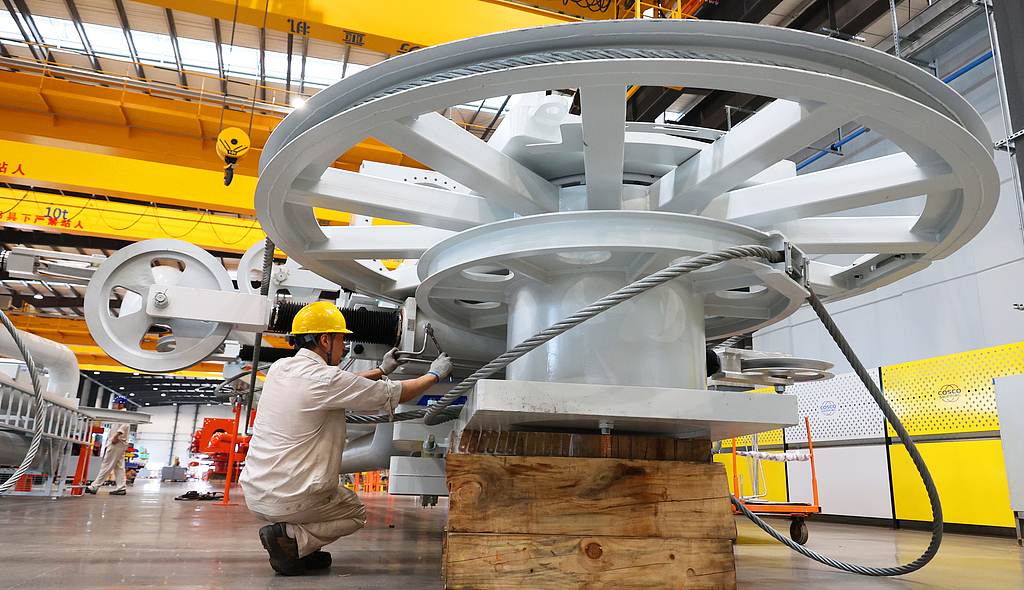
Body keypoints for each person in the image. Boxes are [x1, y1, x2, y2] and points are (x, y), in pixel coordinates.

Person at [240, 301, 452, 576]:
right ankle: (291, 538)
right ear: (325, 340)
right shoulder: (326, 380)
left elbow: (339, 383)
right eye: (341, 339)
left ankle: (299, 550)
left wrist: (381, 370)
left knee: (328, 501)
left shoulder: (280, 368)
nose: (344, 347)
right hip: (288, 496)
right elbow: (394, 394)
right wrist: (434, 374)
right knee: (354, 512)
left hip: (256, 492)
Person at [83, 395, 131, 496]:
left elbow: (125, 426)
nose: (114, 406)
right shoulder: (119, 414)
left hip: (117, 443)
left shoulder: (125, 414)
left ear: (122, 404)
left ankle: (94, 487)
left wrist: (115, 436)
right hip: (119, 444)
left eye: (115, 404)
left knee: (106, 465)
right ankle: (121, 488)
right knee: (119, 467)